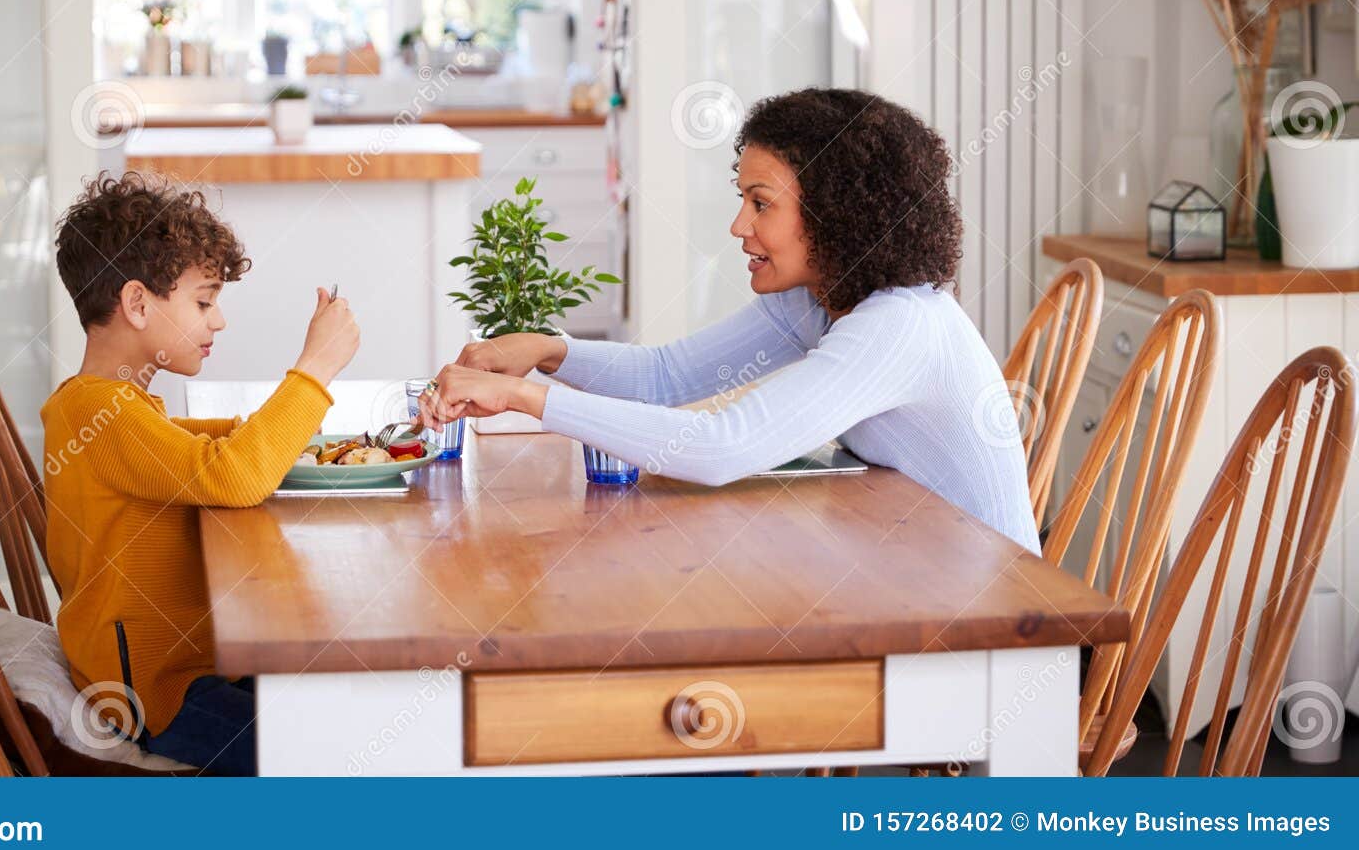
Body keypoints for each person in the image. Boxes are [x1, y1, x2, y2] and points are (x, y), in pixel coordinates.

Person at [417, 88, 1038, 553]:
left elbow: (721, 447)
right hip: (909, 579)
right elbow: (667, 376)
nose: (739, 226)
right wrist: (546, 350)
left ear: (837, 213)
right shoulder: (818, 298)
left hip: (992, 635)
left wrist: (522, 397)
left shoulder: (898, 325)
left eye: (761, 204)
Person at [41, 173, 359, 774]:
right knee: (327, 758)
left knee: (338, 706)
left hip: (188, 668)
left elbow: (216, 449)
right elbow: (235, 475)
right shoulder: (97, 412)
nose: (218, 322)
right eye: (204, 301)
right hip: (162, 696)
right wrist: (314, 369)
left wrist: (294, 433)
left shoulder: (119, 405)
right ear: (137, 303)